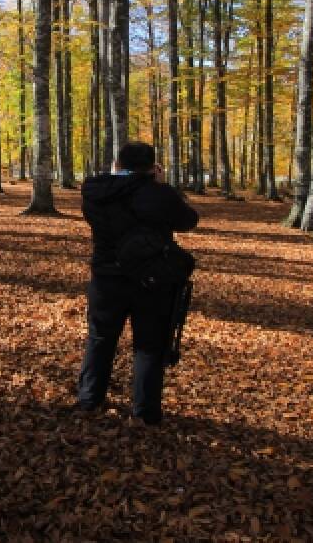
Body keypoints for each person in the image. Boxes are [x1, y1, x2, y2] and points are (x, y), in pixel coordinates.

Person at [77, 142, 199, 426]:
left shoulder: (96, 192)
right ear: (151, 166)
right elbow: (188, 220)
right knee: (149, 346)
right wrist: (162, 186)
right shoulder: (159, 194)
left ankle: (89, 398)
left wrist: (118, 178)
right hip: (152, 281)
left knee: (100, 338)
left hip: (106, 278)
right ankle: (144, 412)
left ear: (117, 164)